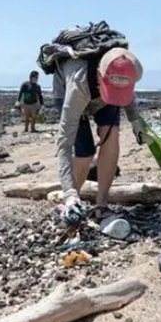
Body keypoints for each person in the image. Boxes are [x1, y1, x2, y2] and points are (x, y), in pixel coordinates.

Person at [53, 47, 145, 223]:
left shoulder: (122, 77)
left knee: (112, 137)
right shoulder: (78, 85)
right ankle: (72, 200)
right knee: (84, 152)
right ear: (99, 75)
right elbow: (65, 144)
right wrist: (70, 193)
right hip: (70, 93)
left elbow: (129, 98)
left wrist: (136, 123)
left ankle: (101, 203)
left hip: (103, 95)